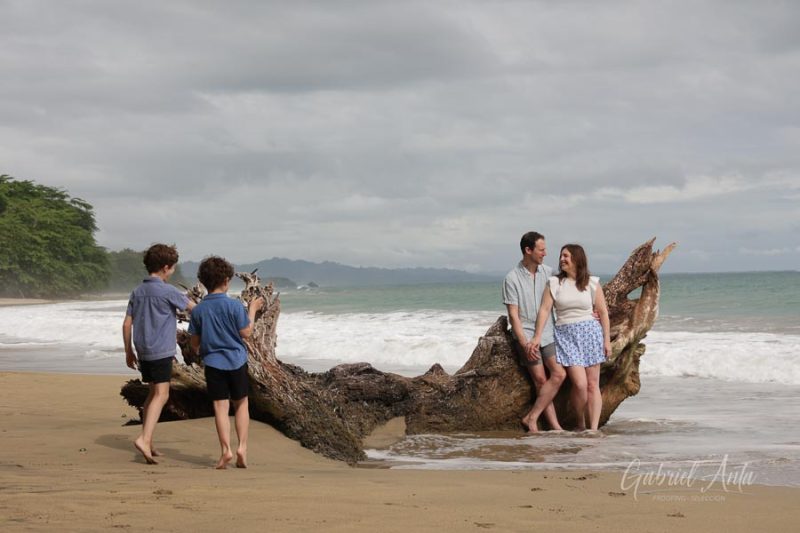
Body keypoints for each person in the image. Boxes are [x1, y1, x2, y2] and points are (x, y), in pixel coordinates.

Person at [188, 256, 264, 469]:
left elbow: (194, 342)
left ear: (203, 282)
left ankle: (225, 450)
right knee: (241, 404)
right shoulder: (234, 305)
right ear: (226, 280)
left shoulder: (199, 310)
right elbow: (246, 332)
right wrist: (253, 309)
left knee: (220, 407)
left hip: (213, 362)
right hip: (237, 361)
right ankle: (242, 447)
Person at [123, 243, 195, 464]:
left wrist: (128, 352)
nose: (172, 271)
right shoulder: (168, 291)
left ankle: (149, 441)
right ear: (166, 267)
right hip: (161, 351)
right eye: (173, 268)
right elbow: (195, 308)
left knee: (153, 394)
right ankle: (144, 439)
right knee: (162, 395)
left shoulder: (138, 291)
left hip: (143, 350)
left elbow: (127, 324)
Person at [531, 244, 611, 431]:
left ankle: (593, 429)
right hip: (566, 336)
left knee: (593, 385)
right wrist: (537, 337)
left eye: (566, 256)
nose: (562, 259)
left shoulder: (592, 282)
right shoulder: (555, 283)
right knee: (580, 384)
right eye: (561, 256)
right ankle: (579, 422)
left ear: (577, 258)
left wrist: (606, 340)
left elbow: (603, 313)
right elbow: (544, 310)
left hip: (591, 334)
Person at [503, 231, 566, 432]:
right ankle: (554, 426)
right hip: (526, 335)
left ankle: (532, 416)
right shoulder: (511, 278)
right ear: (528, 250)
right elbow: (514, 316)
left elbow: (569, 292)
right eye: (541, 249)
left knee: (559, 374)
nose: (545, 253)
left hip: (548, 333)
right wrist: (525, 343)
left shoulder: (549, 273)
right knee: (540, 379)